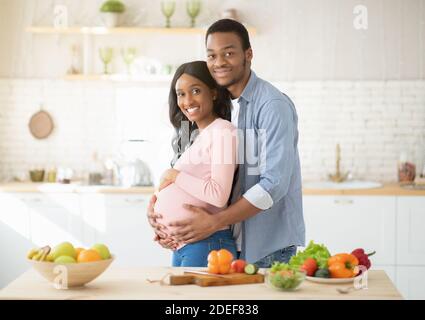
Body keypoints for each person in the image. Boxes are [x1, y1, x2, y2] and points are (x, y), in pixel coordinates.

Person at [148, 19, 305, 267]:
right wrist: (158, 213)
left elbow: (274, 184)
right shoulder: (227, 112)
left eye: (229, 53)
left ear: (248, 55)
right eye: (212, 56)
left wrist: (215, 222)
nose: (219, 62)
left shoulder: (271, 105)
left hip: (268, 245)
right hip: (234, 238)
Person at [153, 60, 238, 267]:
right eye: (181, 94)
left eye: (196, 91)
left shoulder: (223, 131)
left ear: (214, 92)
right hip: (186, 244)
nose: (187, 100)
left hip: (208, 244)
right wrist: (158, 217)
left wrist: (173, 175)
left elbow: (218, 195)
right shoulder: (197, 136)